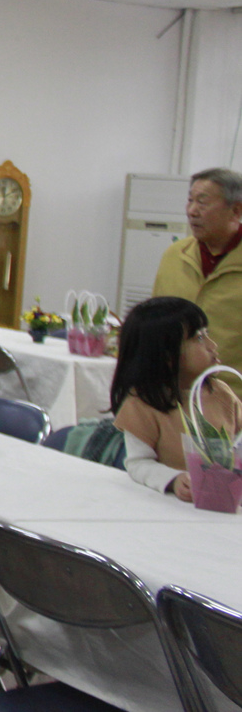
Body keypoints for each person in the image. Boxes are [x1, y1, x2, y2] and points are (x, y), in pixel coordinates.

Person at [112, 296, 242, 501]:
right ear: (167, 355)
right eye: (199, 338)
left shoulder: (222, 393)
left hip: (222, 502)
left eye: (207, 334)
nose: (212, 345)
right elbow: (138, 463)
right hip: (171, 506)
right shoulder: (142, 403)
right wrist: (173, 479)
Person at [154, 168, 242, 377]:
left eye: (202, 202)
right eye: (190, 200)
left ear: (236, 211)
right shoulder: (176, 255)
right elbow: (154, 321)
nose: (192, 211)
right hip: (174, 386)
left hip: (232, 389)